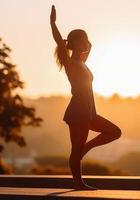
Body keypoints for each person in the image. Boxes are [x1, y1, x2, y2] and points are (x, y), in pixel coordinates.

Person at [50, 5, 122, 190]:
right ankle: (78, 183)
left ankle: (87, 148)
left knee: (115, 132)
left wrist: (88, 43)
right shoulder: (70, 63)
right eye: (84, 40)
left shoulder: (82, 62)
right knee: (76, 149)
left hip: (90, 111)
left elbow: (90, 47)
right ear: (76, 43)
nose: (87, 42)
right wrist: (53, 23)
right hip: (78, 112)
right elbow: (60, 42)